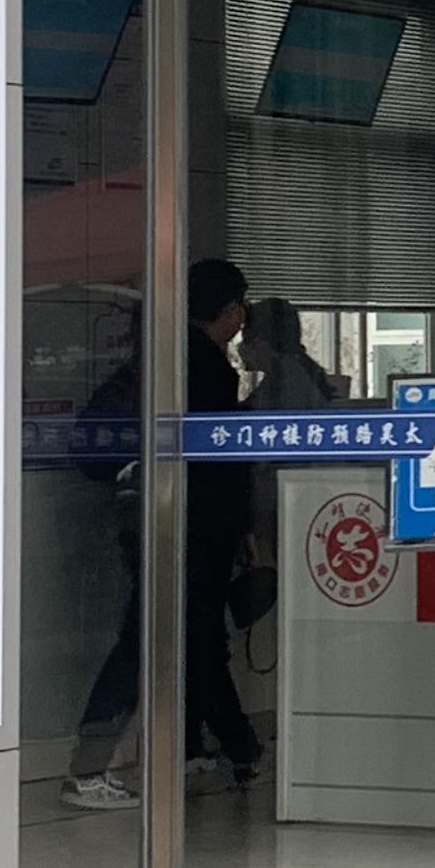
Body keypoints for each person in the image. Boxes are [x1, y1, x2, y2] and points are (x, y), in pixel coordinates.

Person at [63, 257, 268, 807]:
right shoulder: (207, 366)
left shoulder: (160, 354)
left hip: (154, 518)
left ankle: (207, 749)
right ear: (231, 310)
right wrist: (243, 526)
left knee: (189, 639)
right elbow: (219, 460)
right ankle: (88, 769)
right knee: (154, 640)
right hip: (191, 525)